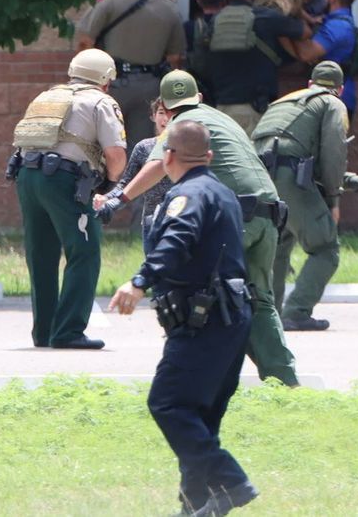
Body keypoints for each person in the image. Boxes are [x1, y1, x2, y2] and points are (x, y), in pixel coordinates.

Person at [99, 70, 298, 386]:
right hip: (268, 215)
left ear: (165, 105)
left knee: (192, 294)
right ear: (199, 98)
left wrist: (117, 200)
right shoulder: (223, 120)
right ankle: (285, 383)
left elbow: (155, 166)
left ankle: (193, 381)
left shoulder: (181, 124)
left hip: (235, 220)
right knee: (258, 301)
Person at [108, 120, 259, 517]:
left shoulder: (186, 196)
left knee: (169, 403)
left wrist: (140, 281)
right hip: (233, 317)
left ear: (168, 156)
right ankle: (196, 505)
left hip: (202, 319)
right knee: (199, 415)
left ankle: (230, 481)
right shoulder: (222, 192)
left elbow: (177, 240)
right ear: (208, 157)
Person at [9, 48, 127, 349]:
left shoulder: (47, 97)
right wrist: (111, 186)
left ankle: (45, 331)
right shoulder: (101, 101)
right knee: (84, 251)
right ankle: (69, 331)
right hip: (64, 181)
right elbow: (115, 155)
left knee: (41, 255)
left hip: (27, 176)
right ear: (105, 79)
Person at [251, 62, 358, 331]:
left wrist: (357, 182)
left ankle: (268, 315)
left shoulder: (283, 103)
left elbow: (293, 158)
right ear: (340, 90)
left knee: (278, 245)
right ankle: (296, 312)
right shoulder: (333, 104)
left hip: (258, 177)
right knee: (325, 249)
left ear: (310, 84)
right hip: (289, 179)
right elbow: (332, 155)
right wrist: (333, 198)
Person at [75, 0, 185, 145]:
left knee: (102, 145)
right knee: (140, 148)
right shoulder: (169, 8)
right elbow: (175, 58)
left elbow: (85, 41)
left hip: (110, 84)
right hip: (150, 86)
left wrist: (83, 80)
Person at [204, 0, 310, 135]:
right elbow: (304, 32)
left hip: (222, 107)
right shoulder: (266, 17)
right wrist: (297, 9)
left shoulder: (215, 21)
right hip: (254, 109)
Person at [98, 99, 174, 241]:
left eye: (172, 113)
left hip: (180, 217)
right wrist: (106, 198)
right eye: (161, 113)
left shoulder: (188, 146)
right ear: (153, 116)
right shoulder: (144, 147)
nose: (166, 119)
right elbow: (125, 184)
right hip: (152, 221)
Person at [294, 0, 358, 118]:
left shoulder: (337, 26)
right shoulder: (334, 22)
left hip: (332, 100)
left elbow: (307, 54)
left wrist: (293, 24)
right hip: (332, 98)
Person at [184, 0, 226, 92]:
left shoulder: (189, 27)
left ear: (199, 2)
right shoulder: (229, 25)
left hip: (197, 85)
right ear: (224, 1)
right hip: (226, 84)